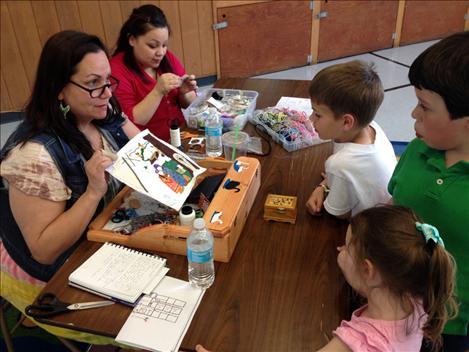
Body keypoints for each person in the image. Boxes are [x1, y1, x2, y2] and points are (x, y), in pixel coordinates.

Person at [0, 30, 140, 344]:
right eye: (92, 83)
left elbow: (146, 150)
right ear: (59, 89)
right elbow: (44, 250)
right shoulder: (33, 155)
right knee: (150, 317)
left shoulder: (102, 111)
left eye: (108, 79)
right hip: (53, 272)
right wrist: (92, 192)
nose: (106, 92)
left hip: (101, 233)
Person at [196, 205, 458, 352]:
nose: (339, 251)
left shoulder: (355, 344)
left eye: (346, 248)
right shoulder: (418, 296)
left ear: (369, 271)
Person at [388, 31, 469, 352]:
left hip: (451, 323)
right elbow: (394, 207)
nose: (413, 114)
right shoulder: (418, 149)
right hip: (396, 300)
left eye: (424, 106)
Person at [306, 60, 397, 218]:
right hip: (388, 212)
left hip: (370, 230)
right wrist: (325, 184)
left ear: (347, 122)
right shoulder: (372, 127)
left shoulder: (340, 163)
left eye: (318, 114)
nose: (310, 118)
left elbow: (340, 213)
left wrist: (322, 191)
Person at [111, 4, 198, 142]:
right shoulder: (117, 70)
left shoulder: (167, 58)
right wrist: (157, 91)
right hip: (148, 147)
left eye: (164, 45)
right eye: (152, 46)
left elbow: (190, 103)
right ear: (132, 40)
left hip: (180, 135)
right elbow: (130, 122)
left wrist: (184, 93)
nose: (161, 53)